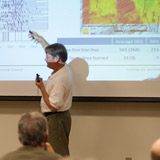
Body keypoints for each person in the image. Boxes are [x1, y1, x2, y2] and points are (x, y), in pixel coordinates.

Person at [29, 32, 72, 156]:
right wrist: (41, 40)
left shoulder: (60, 78)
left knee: (57, 154)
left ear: (56, 58)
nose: (45, 59)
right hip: (57, 118)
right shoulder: (63, 67)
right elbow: (52, 51)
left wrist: (42, 88)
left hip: (56, 119)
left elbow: (53, 107)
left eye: (47, 57)